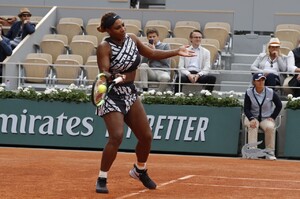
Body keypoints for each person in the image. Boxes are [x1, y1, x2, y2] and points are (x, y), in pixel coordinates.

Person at [95, 12, 195, 194]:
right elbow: (104, 71)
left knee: (146, 136)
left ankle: (139, 170)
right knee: (116, 136)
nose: (123, 29)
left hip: (130, 93)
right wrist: (113, 76)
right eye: (118, 27)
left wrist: (176, 51)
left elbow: (152, 53)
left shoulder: (132, 39)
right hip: (112, 95)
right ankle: (102, 177)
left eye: (123, 24)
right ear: (109, 30)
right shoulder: (104, 47)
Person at [243, 73, 282, 160]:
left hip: (266, 118)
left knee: (270, 127)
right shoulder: (249, 92)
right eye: (258, 80)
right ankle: (252, 152)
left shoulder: (270, 92)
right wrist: (251, 118)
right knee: (253, 125)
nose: (261, 82)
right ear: (254, 82)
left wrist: (273, 117)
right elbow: (246, 109)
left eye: (263, 80)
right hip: (252, 117)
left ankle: (269, 152)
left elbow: (279, 105)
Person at [137, 27, 171, 92]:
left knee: (166, 78)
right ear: (147, 38)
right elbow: (143, 62)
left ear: (158, 37)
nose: (152, 38)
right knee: (143, 65)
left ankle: (158, 94)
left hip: (163, 71)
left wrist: (154, 51)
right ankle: (145, 90)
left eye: (154, 36)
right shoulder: (147, 47)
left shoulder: (165, 46)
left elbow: (166, 61)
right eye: (150, 37)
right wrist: (147, 51)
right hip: (152, 71)